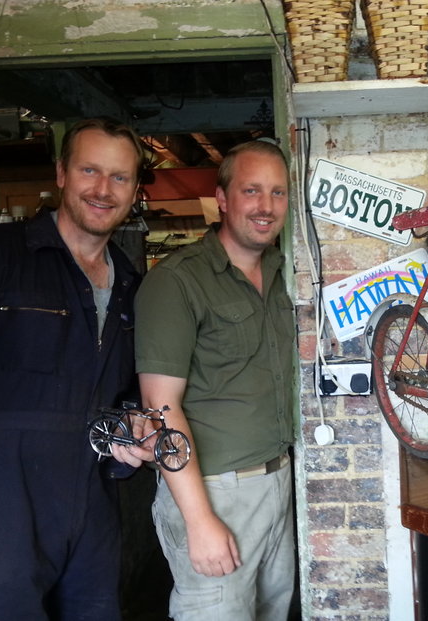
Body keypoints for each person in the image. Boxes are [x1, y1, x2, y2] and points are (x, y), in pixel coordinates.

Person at [0, 117, 149, 621]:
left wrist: (131, 430)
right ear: (61, 173)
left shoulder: (130, 284)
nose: (103, 190)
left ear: (133, 191)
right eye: (89, 170)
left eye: (119, 177)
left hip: (91, 518)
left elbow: (123, 394)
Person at [134, 139, 296, 620]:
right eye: (251, 190)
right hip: (214, 491)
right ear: (222, 198)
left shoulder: (284, 273)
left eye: (278, 192)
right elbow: (160, 407)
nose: (266, 206)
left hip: (278, 482)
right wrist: (199, 519)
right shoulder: (177, 281)